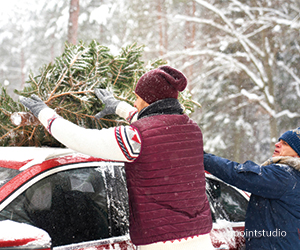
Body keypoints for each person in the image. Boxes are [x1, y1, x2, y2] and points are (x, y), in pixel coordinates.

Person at [20, 66, 213, 250]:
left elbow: (81, 138)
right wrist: (119, 107)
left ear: (148, 100)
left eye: (137, 98)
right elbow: (157, 128)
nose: (136, 103)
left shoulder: (137, 138)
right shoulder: (191, 129)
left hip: (160, 241)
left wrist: (45, 114)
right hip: (201, 236)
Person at [204, 128, 300, 249]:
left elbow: (239, 175)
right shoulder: (293, 176)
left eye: (285, 144)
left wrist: (204, 158)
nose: (277, 144)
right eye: (279, 141)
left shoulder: (284, 175)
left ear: (297, 153)